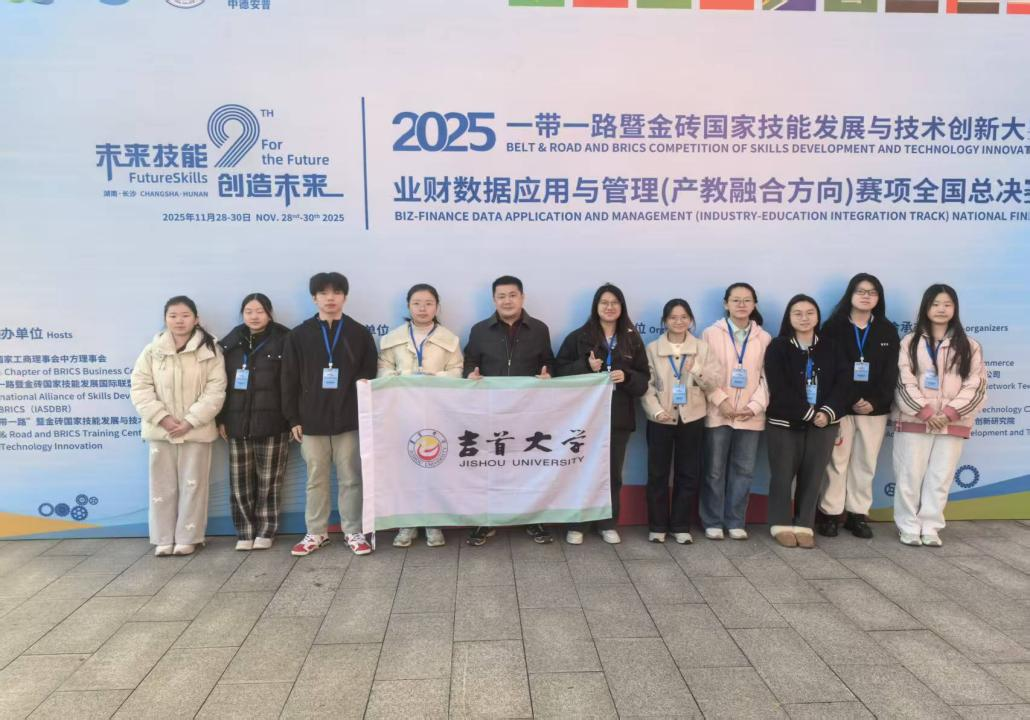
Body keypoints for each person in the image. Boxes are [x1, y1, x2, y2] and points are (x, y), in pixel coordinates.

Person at [282, 272, 378, 557]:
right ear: (314, 298)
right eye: (323, 293)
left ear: (345, 297)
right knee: (316, 479)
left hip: (349, 419)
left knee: (351, 478)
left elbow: (369, 375)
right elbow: (288, 379)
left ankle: (353, 531)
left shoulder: (359, 333)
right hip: (311, 420)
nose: (330, 298)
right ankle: (316, 532)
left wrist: (364, 416)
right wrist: (293, 418)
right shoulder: (299, 335)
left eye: (336, 292)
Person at [462, 275, 555, 546]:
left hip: (528, 411)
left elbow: (549, 362)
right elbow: (469, 362)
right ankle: (485, 520)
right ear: (494, 300)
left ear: (522, 297)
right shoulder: (480, 330)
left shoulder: (539, 329)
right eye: (501, 296)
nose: (507, 301)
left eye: (512, 295)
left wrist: (548, 374)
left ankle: (533, 518)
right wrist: (470, 374)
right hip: (490, 411)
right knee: (489, 466)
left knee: (527, 465)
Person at [130, 296, 226, 557]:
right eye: (173, 316)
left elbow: (216, 390)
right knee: (161, 486)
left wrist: (190, 421)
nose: (179, 321)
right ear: (165, 319)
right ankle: (163, 538)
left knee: (194, 485)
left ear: (196, 319)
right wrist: (162, 417)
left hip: (196, 430)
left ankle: (189, 537)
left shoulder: (210, 351)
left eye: (185, 315)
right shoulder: (152, 351)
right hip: (161, 431)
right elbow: (139, 387)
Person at [893, 284, 986, 547]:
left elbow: (977, 386)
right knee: (909, 476)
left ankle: (931, 526)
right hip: (914, 421)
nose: (941, 309)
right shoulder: (909, 342)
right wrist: (924, 411)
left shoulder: (970, 346)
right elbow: (903, 381)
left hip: (952, 423)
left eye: (947, 304)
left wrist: (949, 413)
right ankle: (908, 526)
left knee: (940, 477)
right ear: (925, 307)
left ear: (955, 308)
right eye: (935, 304)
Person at [555, 283, 649, 545]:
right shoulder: (578, 337)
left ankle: (608, 523)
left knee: (612, 474)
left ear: (622, 307)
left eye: (614, 303)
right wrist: (584, 366)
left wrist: (627, 376)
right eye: (604, 302)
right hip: (583, 419)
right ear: (596, 307)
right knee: (580, 471)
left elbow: (644, 380)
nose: (609, 307)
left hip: (618, 418)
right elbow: (558, 373)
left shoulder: (631, 339)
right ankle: (578, 524)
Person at [378, 283, 463, 548]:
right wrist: (402, 376)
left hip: (437, 413)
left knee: (435, 467)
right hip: (401, 414)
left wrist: (436, 377)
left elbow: (457, 371)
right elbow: (382, 369)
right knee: (404, 468)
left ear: (437, 307)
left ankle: (433, 522)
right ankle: (407, 523)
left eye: (428, 303)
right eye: (416, 303)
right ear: (408, 306)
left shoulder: (449, 339)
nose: (422, 308)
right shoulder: (393, 339)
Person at [816, 274, 900, 539]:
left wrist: (874, 401)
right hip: (840, 408)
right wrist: (849, 398)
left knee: (865, 463)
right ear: (850, 294)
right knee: (836, 462)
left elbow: (891, 373)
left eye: (872, 292)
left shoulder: (887, 330)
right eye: (861, 291)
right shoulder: (833, 327)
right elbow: (828, 368)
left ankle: (857, 514)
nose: (866, 296)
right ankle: (830, 513)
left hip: (874, 410)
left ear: (879, 298)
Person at [764, 295, 851, 549]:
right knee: (782, 475)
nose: (804, 318)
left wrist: (827, 412)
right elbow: (778, 387)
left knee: (813, 475)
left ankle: (804, 524)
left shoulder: (832, 346)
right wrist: (809, 413)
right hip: (784, 424)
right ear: (789, 318)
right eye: (798, 313)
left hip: (824, 423)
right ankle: (780, 523)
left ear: (817, 316)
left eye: (810, 312)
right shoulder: (778, 347)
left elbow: (844, 384)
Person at [641, 299, 722, 544]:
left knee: (688, 473)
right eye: (673, 317)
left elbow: (714, 382)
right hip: (661, 420)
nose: (679, 321)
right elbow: (646, 386)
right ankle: (657, 526)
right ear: (665, 321)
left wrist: (696, 369)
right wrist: (656, 412)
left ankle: (680, 525)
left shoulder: (701, 348)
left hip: (692, 418)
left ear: (691, 320)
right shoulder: (653, 349)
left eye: (684, 317)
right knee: (657, 473)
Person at [217, 293, 291, 551]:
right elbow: (221, 385)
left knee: (270, 482)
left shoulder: (285, 339)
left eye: (260, 311)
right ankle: (245, 532)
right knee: (240, 483)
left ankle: (266, 531)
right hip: (237, 423)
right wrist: (221, 419)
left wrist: (292, 419)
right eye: (249, 311)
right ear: (242, 314)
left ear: (269, 313)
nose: (254, 316)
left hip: (274, 423)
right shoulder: (230, 342)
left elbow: (291, 383)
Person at [700, 282, 772, 541]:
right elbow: (703, 373)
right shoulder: (711, 334)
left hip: (750, 417)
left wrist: (753, 407)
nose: (741, 305)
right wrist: (722, 402)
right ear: (726, 303)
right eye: (736, 300)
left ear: (754, 304)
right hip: (718, 413)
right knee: (714, 471)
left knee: (744, 471)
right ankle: (712, 521)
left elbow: (767, 378)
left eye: (747, 300)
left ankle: (735, 521)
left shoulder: (764, 338)